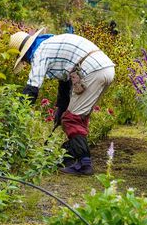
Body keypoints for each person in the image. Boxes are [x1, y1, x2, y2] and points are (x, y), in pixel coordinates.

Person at [10, 28, 115, 175]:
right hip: (106, 69)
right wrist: (60, 110)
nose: (27, 63)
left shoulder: (39, 52)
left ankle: (84, 165)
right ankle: (70, 156)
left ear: (25, 53)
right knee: (78, 116)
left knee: (72, 120)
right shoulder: (50, 43)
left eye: (24, 60)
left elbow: (32, 89)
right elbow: (65, 84)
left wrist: (17, 113)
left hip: (92, 71)